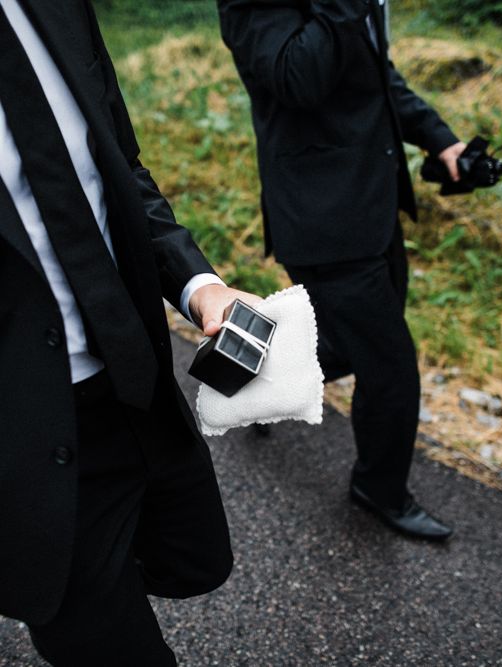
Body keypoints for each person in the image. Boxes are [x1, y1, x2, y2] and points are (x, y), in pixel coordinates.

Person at [0, 0, 261, 664]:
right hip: (23, 433)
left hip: (134, 388)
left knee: (197, 559)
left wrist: (200, 284)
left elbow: (120, 170)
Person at [218, 0, 466, 541]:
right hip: (320, 213)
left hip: (372, 202)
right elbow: (296, 79)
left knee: (356, 344)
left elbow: (376, 75)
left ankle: (258, 389)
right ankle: (378, 488)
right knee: (390, 365)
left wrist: (439, 136)